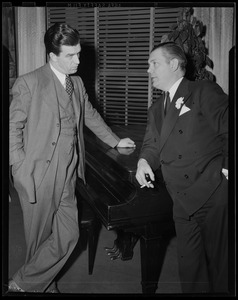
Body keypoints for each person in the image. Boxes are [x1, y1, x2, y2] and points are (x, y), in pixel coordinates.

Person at [9, 23, 135, 293]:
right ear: (52, 56)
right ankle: (43, 286)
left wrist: (115, 140)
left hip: (68, 174)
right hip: (37, 175)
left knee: (69, 235)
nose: (78, 60)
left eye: (78, 53)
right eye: (71, 55)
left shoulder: (75, 83)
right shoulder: (28, 82)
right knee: (37, 240)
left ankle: (23, 284)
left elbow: (89, 115)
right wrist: (19, 168)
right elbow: (12, 127)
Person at [136, 42, 228, 294]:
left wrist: (227, 173)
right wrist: (144, 161)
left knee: (223, 268)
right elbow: (152, 145)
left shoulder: (202, 91)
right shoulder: (156, 109)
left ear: (174, 64)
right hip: (181, 199)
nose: (148, 70)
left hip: (213, 193)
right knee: (190, 269)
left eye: (154, 63)